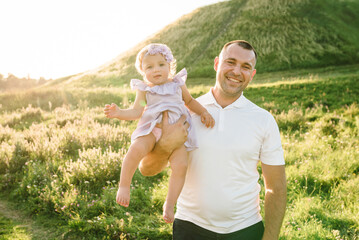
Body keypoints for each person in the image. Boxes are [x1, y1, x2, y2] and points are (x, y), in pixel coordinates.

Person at [139, 40, 287, 240]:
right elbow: (147, 169)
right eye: (230, 62)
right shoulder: (182, 112)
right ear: (217, 63)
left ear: (252, 74)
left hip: (245, 229)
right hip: (190, 228)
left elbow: (276, 187)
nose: (236, 71)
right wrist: (165, 145)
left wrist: (269, 238)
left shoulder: (264, 120)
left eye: (245, 67)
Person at [104, 43, 215, 223]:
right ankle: (124, 185)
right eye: (149, 66)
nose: (156, 69)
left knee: (181, 166)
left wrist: (203, 112)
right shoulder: (145, 89)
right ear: (143, 71)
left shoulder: (178, 84)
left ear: (170, 66)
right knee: (136, 149)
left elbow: (190, 101)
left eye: (161, 64)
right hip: (151, 128)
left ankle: (170, 204)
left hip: (179, 135)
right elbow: (136, 111)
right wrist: (118, 113)